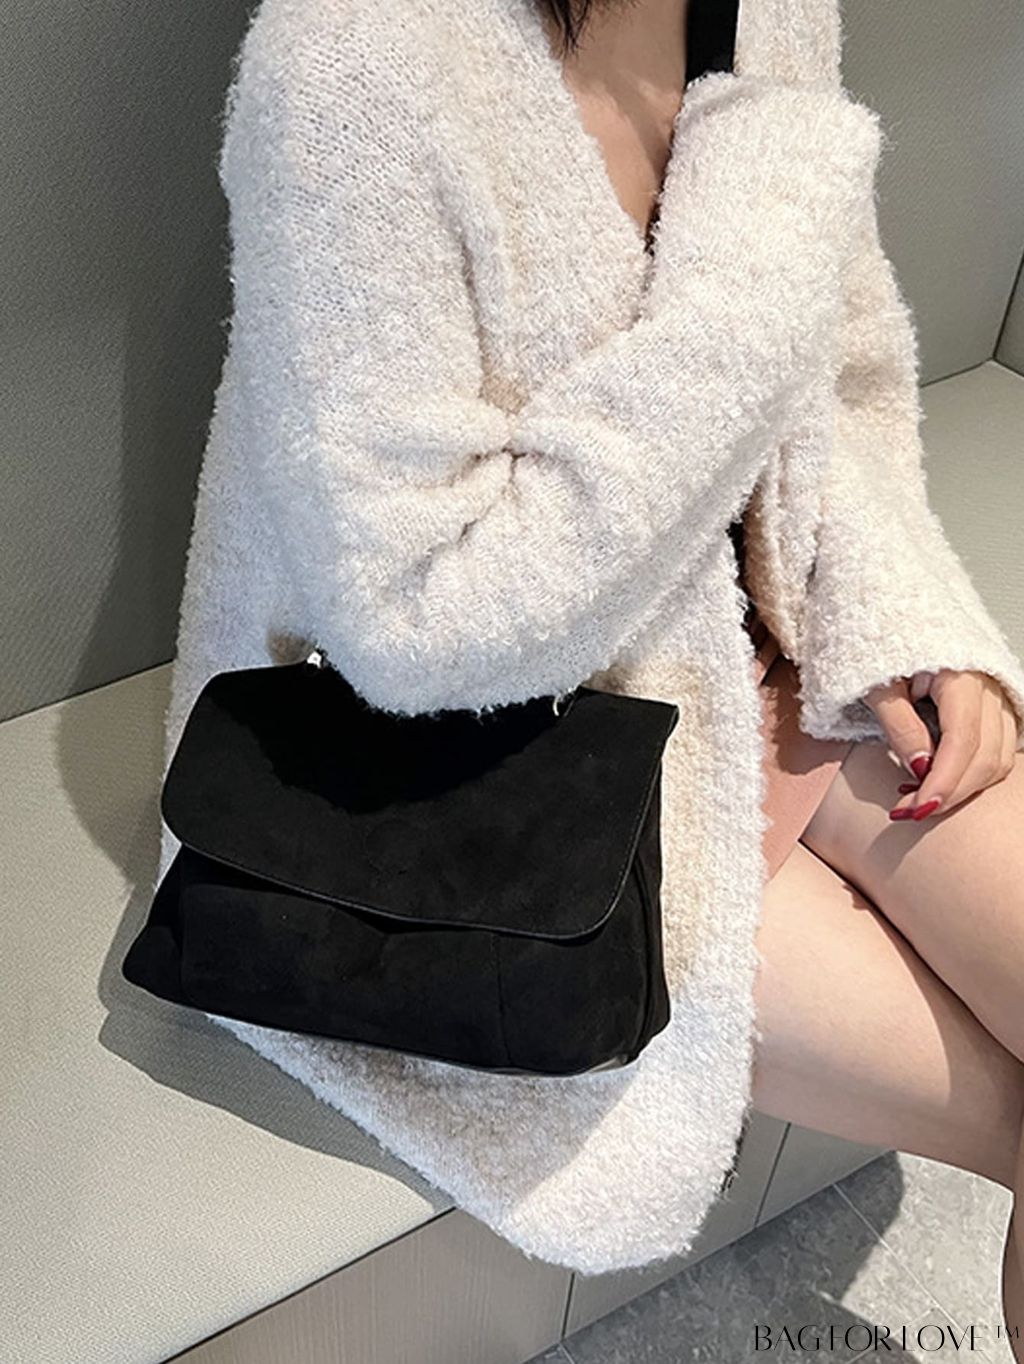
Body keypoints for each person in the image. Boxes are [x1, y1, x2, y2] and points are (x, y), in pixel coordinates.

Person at [161, 0, 1024, 1315]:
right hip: (504, 761)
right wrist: (745, 280)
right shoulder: (350, 57)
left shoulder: (771, 3)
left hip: (765, 636)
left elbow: (839, 378)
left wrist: (907, 618)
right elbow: (417, 618)